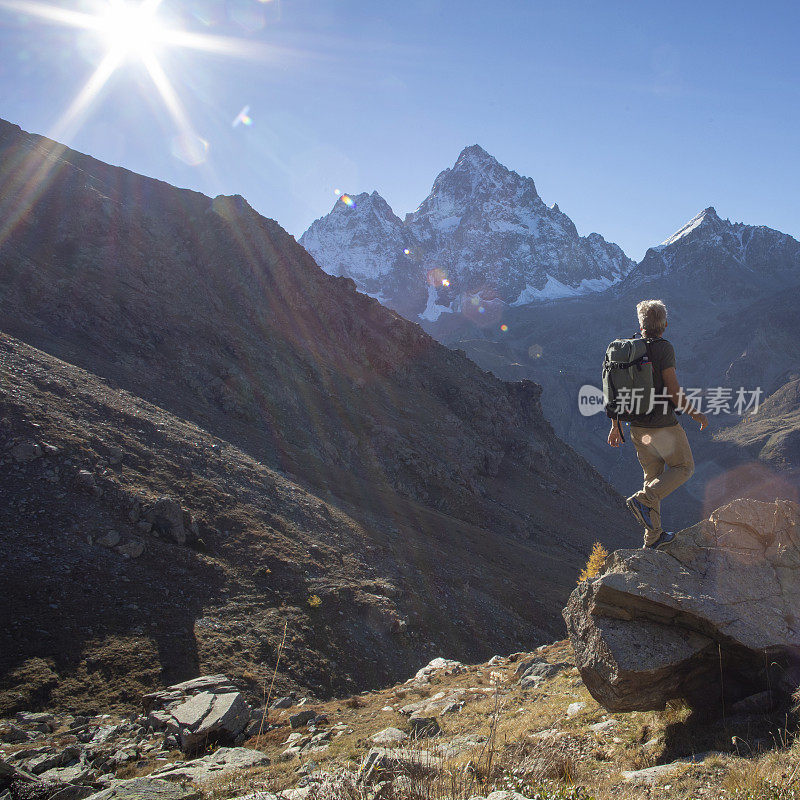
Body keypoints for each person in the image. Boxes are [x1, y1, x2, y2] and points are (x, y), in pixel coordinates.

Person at [607, 299, 708, 549]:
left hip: (637, 428)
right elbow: (673, 390)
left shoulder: (628, 350)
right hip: (663, 425)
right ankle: (643, 499)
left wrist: (615, 425)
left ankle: (652, 539)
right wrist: (695, 413)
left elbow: (613, 389)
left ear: (640, 325)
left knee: (653, 478)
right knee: (683, 468)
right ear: (665, 324)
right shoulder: (664, 348)